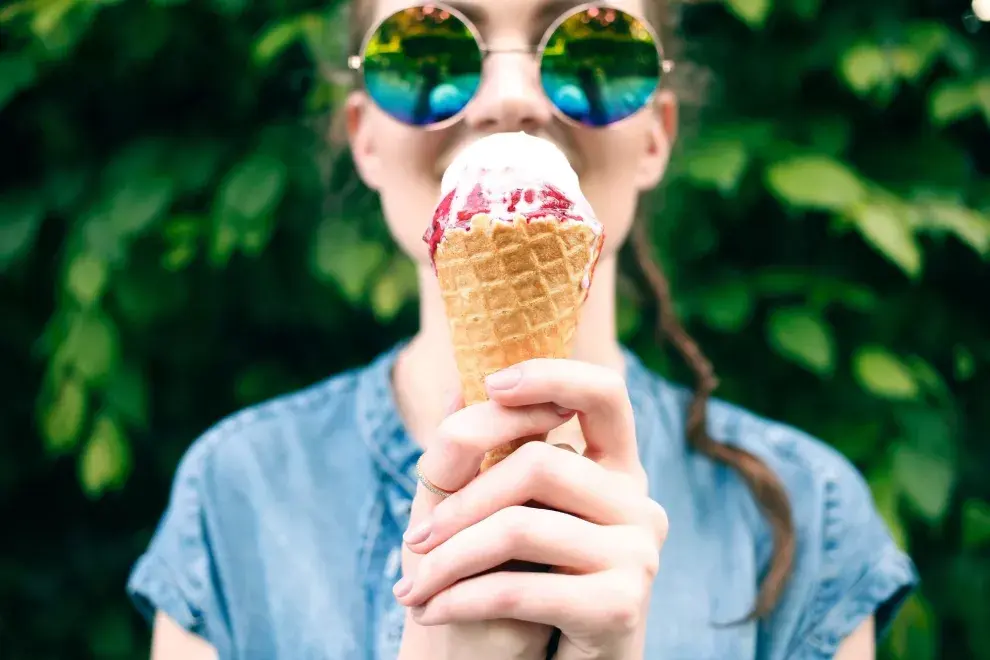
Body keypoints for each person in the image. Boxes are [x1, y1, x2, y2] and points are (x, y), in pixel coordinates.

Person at [127, 0, 919, 658]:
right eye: (429, 48)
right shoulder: (238, 494)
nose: (512, 95)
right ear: (365, 136)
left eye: (590, 47)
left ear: (656, 134)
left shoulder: (803, 516)